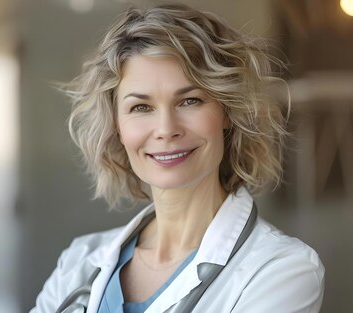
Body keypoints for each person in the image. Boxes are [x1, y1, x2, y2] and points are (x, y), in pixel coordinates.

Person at [32, 3, 324, 313]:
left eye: (189, 101)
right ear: (117, 126)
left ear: (227, 111)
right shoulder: (78, 263)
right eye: (141, 107)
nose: (166, 129)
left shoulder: (280, 270)